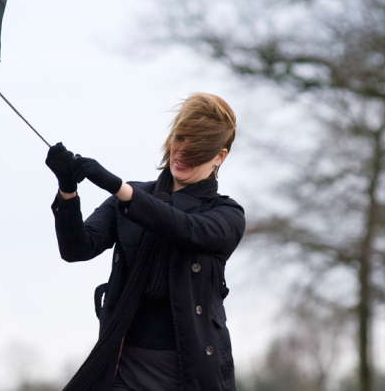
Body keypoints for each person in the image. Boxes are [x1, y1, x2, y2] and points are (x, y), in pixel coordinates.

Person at [46, 93, 245, 391]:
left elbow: (185, 228)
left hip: (189, 374)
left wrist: (118, 187)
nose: (182, 154)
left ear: (220, 156)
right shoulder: (130, 198)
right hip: (122, 369)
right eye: (180, 140)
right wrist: (67, 190)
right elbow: (77, 249)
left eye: (197, 150)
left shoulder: (226, 214)